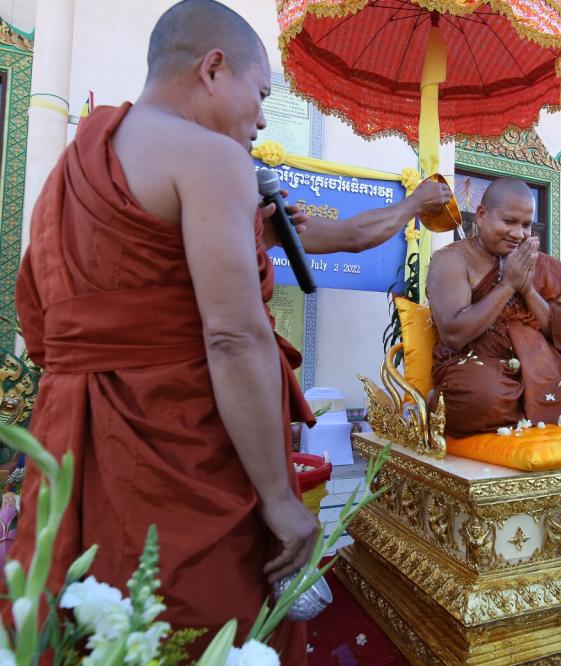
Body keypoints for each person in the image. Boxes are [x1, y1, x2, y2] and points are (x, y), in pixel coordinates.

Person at [8, 0, 450, 660]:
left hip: (68, 444)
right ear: (213, 68)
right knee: (189, 627)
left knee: (78, 625)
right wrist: (280, 499)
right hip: (176, 453)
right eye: (261, 93)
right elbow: (234, 337)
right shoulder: (211, 160)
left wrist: (410, 206)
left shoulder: (71, 171)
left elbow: (36, 322)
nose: (264, 117)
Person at [427, 177, 561, 437]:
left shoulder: (534, 263)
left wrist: (528, 289)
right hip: (478, 370)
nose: (519, 234)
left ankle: (530, 411)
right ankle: (533, 411)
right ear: (482, 215)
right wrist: (508, 285)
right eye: (509, 222)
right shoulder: (452, 260)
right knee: (483, 400)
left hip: (541, 371)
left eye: (526, 225)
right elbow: (454, 334)